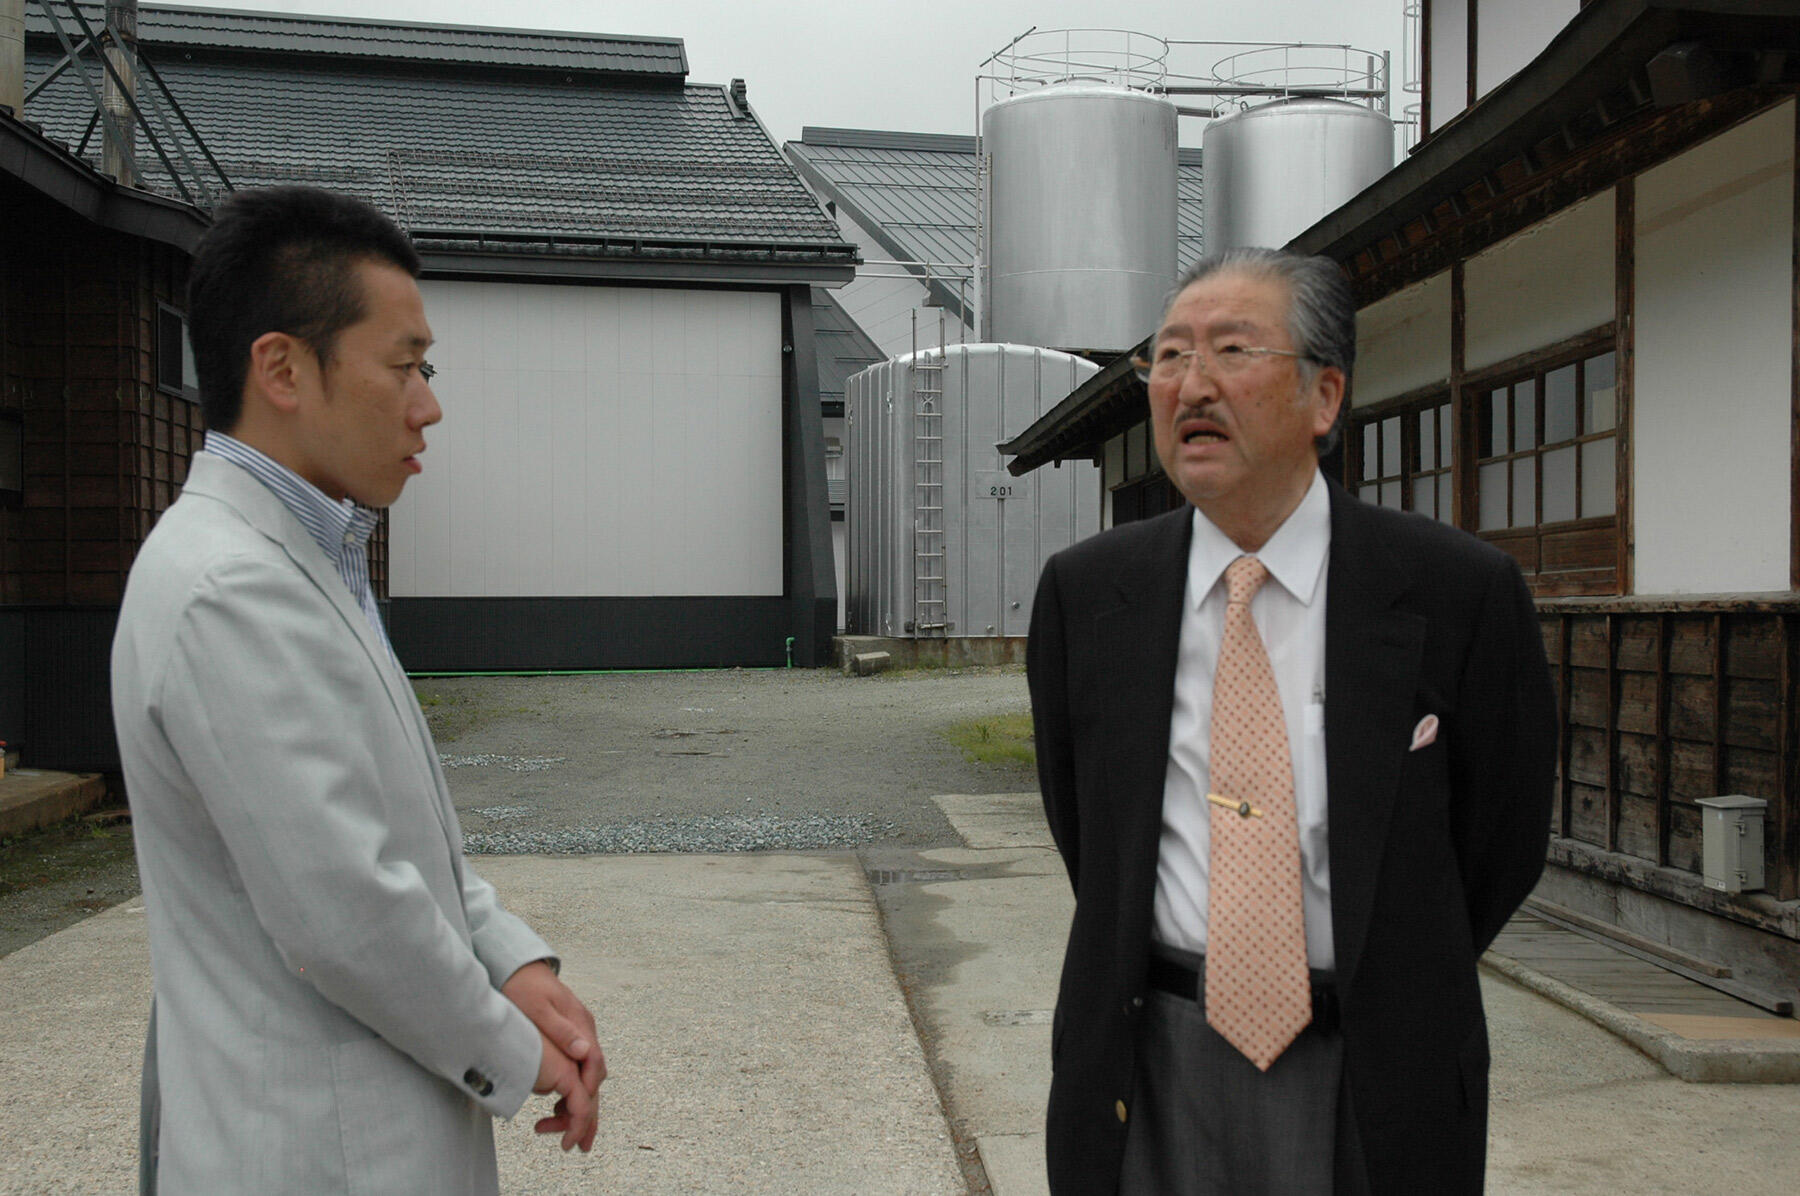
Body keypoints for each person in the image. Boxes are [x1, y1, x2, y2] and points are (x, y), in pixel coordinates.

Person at [1027, 247, 1557, 1194]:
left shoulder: (1457, 592)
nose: (1191, 384)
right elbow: (1087, 828)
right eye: (1170, 356)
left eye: (1232, 350)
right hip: (1150, 1057)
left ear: (1324, 398)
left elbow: (1501, 837)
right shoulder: (1088, 595)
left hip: (1373, 1062)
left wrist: (1385, 958)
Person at [111, 186, 606, 1194]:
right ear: (283, 368)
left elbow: (404, 832)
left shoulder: (309, 551)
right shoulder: (230, 587)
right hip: (315, 1154)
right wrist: (518, 1052)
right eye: (405, 365)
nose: (428, 402)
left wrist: (509, 955)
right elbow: (346, 911)